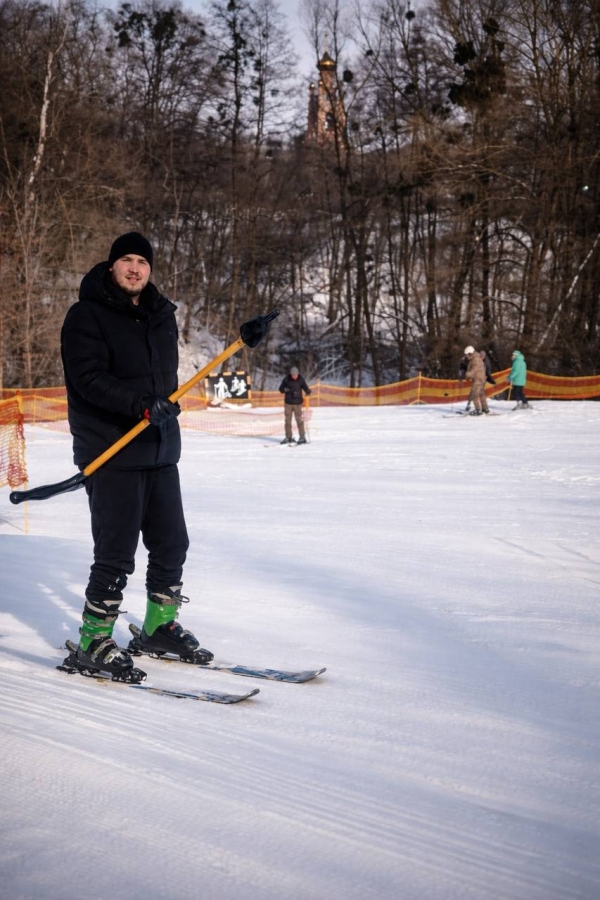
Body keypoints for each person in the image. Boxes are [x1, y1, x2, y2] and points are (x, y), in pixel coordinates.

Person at [60, 231, 212, 681]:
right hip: (111, 449)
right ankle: (92, 639)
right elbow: (87, 379)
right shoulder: (86, 316)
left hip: (160, 447)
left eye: (142, 262)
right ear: (112, 266)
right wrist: (141, 404)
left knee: (172, 543)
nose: (134, 268)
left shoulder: (161, 317)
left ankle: (158, 628)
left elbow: (163, 381)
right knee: (117, 550)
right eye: (126, 260)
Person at [279, 366, 311, 443]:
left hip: (298, 403)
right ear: (291, 374)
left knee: (299, 420)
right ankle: (288, 437)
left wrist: (308, 391)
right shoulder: (286, 379)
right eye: (293, 374)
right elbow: (280, 389)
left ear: (298, 374)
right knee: (287, 421)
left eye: (295, 374)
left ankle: (302, 437)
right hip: (288, 404)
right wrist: (285, 390)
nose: (294, 376)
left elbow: (305, 387)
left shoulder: (301, 379)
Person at [463, 346, 489, 415]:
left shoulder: (475, 360)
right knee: (481, 394)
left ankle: (478, 410)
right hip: (481, 378)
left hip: (478, 379)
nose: (466, 356)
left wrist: (467, 375)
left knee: (475, 394)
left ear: (470, 353)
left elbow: (473, 371)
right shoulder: (477, 358)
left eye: (467, 355)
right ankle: (485, 408)